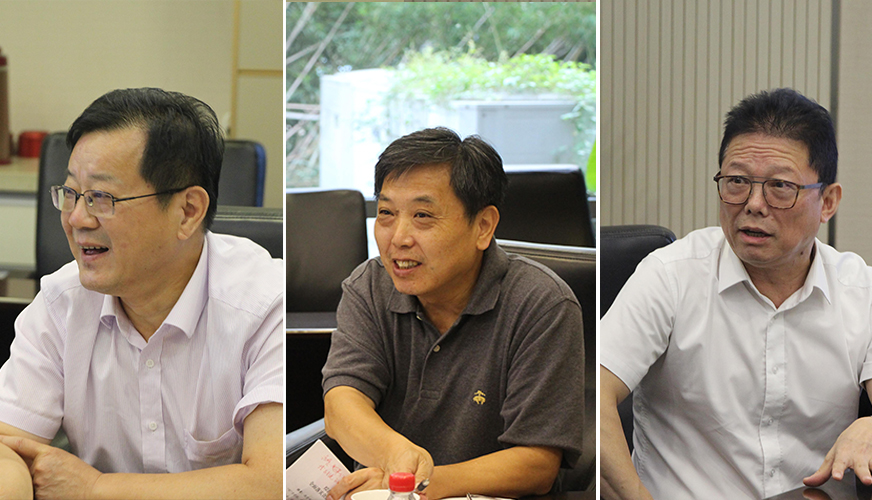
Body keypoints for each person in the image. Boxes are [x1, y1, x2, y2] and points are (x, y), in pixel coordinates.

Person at [599, 87, 872, 499]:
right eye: (737, 181)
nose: (754, 204)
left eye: (780, 186)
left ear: (828, 202)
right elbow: (593, 395)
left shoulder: (869, 295)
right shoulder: (671, 275)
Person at [0, 88, 283, 499]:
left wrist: (96, 488)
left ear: (188, 211)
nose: (77, 218)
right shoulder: (62, 302)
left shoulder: (265, 305)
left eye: (101, 198)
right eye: (71, 193)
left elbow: (271, 483)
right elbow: (8, 447)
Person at [321, 127, 584, 499]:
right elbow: (341, 404)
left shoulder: (542, 303)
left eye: (423, 215)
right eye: (386, 213)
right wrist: (396, 457)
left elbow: (536, 464)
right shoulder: (369, 286)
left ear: (483, 226)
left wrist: (416, 485)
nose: (398, 238)